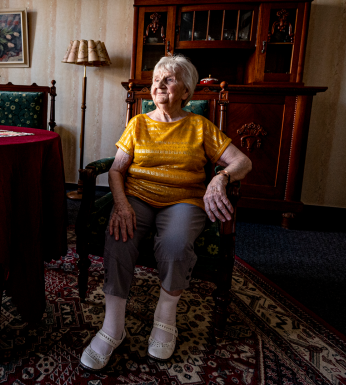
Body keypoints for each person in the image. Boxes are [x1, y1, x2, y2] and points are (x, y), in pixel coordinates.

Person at [79, 55, 252, 371]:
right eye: (156, 79)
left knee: (174, 244)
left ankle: (165, 318)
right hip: (138, 197)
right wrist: (121, 204)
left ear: (186, 91)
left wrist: (221, 177)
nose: (158, 84)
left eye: (168, 79)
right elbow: (117, 170)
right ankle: (113, 328)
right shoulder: (139, 123)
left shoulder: (200, 126)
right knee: (119, 237)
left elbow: (243, 162)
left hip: (184, 200)